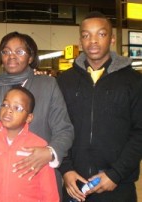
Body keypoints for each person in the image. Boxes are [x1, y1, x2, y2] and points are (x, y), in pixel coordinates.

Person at [57, 11, 142, 202]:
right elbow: (57, 127)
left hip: (118, 186)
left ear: (112, 39)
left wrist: (116, 174)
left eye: (101, 34)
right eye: (86, 35)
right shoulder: (65, 81)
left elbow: (139, 132)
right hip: (74, 185)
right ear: (80, 41)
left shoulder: (133, 81)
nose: (93, 41)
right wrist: (66, 169)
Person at [0, 31, 74, 197]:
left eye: (20, 52)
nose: (11, 56)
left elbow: (64, 129)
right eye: (6, 51)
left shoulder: (47, 85)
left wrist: (50, 152)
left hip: (38, 174)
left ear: (31, 58)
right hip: (0, 178)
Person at [0, 86, 60, 202]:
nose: (9, 110)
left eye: (17, 108)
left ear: (29, 117)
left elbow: (49, 193)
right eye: (5, 105)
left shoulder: (39, 147)